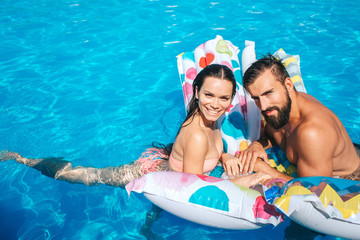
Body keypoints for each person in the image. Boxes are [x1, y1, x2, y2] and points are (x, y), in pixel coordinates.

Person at [0, 64, 270, 188]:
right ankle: (23, 159)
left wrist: (223, 154)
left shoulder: (212, 119)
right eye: (209, 95)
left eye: (224, 98)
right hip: (148, 172)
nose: (216, 104)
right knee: (86, 175)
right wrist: (245, 181)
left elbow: (205, 154)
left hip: (165, 160)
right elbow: (192, 189)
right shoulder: (197, 134)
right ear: (196, 91)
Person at [236, 54, 360, 181]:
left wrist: (263, 169)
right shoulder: (280, 109)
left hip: (351, 179)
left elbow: (314, 191)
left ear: (288, 85)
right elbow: (272, 136)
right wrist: (257, 145)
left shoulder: (312, 133)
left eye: (268, 93)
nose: (262, 106)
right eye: (256, 98)